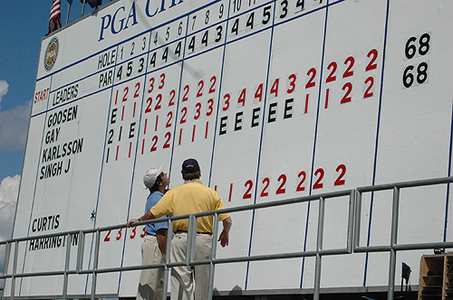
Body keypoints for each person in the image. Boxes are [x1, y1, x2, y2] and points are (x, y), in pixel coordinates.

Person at [127, 158, 232, 300]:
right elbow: (227, 220)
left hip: (180, 239)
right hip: (203, 240)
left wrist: (139, 220)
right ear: (200, 173)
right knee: (203, 285)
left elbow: (154, 213)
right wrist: (225, 232)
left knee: (181, 287)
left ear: (183, 175)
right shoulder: (211, 193)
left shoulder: (173, 193)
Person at [136, 165, 171, 300]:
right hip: (156, 244)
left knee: (156, 289)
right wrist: (168, 256)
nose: (166, 174)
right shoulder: (158, 199)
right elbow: (161, 231)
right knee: (149, 288)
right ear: (159, 182)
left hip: (155, 244)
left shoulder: (157, 196)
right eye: (162, 174)